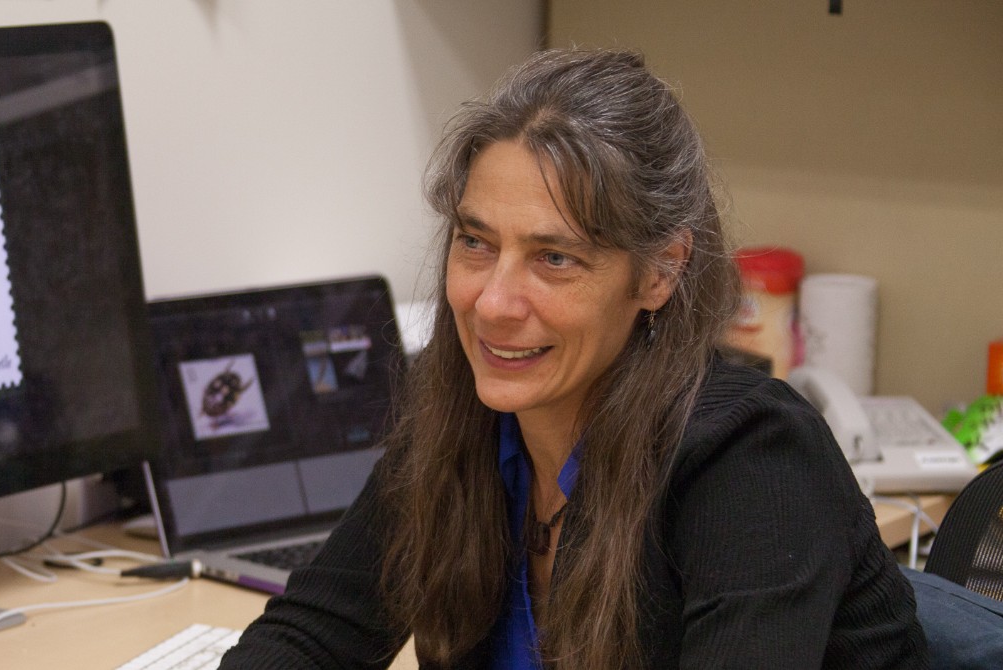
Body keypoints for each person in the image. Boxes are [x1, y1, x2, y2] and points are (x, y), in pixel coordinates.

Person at [218, 48, 927, 669]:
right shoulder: (463, 409)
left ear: (659, 271)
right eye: (476, 243)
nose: (493, 302)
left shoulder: (750, 460)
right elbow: (311, 640)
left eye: (553, 258)